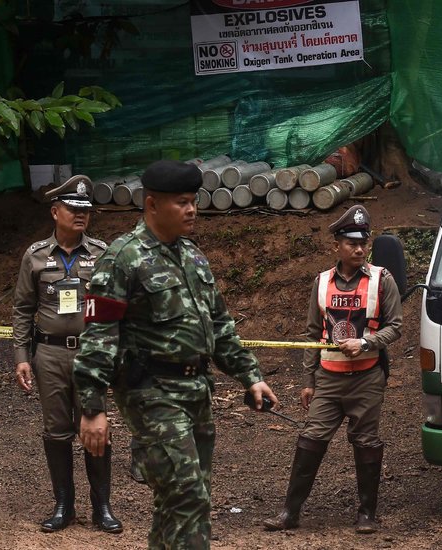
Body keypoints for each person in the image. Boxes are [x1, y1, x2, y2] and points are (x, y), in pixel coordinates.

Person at [73, 159, 278, 549]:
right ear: (152, 204)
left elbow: (219, 325)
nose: (192, 210)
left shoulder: (192, 256)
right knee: (189, 498)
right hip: (151, 393)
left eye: (193, 201)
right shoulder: (123, 258)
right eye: (182, 202)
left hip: (196, 391)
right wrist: (92, 407)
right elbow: (99, 335)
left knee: (179, 502)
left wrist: (250, 376)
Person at [263, 204, 403, 534]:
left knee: (366, 442)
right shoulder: (322, 282)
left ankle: (367, 514)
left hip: (367, 377)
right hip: (327, 378)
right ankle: (290, 513)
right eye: (352, 243)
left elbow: (396, 326)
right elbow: (313, 334)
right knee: (311, 439)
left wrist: (366, 343)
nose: (359, 249)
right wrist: (308, 380)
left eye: (363, 243)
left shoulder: (382, 280)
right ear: (336, 246)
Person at [12, 175, 122, 534]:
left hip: (90, 355)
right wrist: (22, 356)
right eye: (73, 209)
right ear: (55, 212)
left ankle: (102, 507)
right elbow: (23, 309)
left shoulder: (101, 254)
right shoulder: (35, 256)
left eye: (85, 209)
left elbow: (109, 309)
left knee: (95, 425)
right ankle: (64, 506)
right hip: (50, 354)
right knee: (56, 431)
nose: (80, 215)